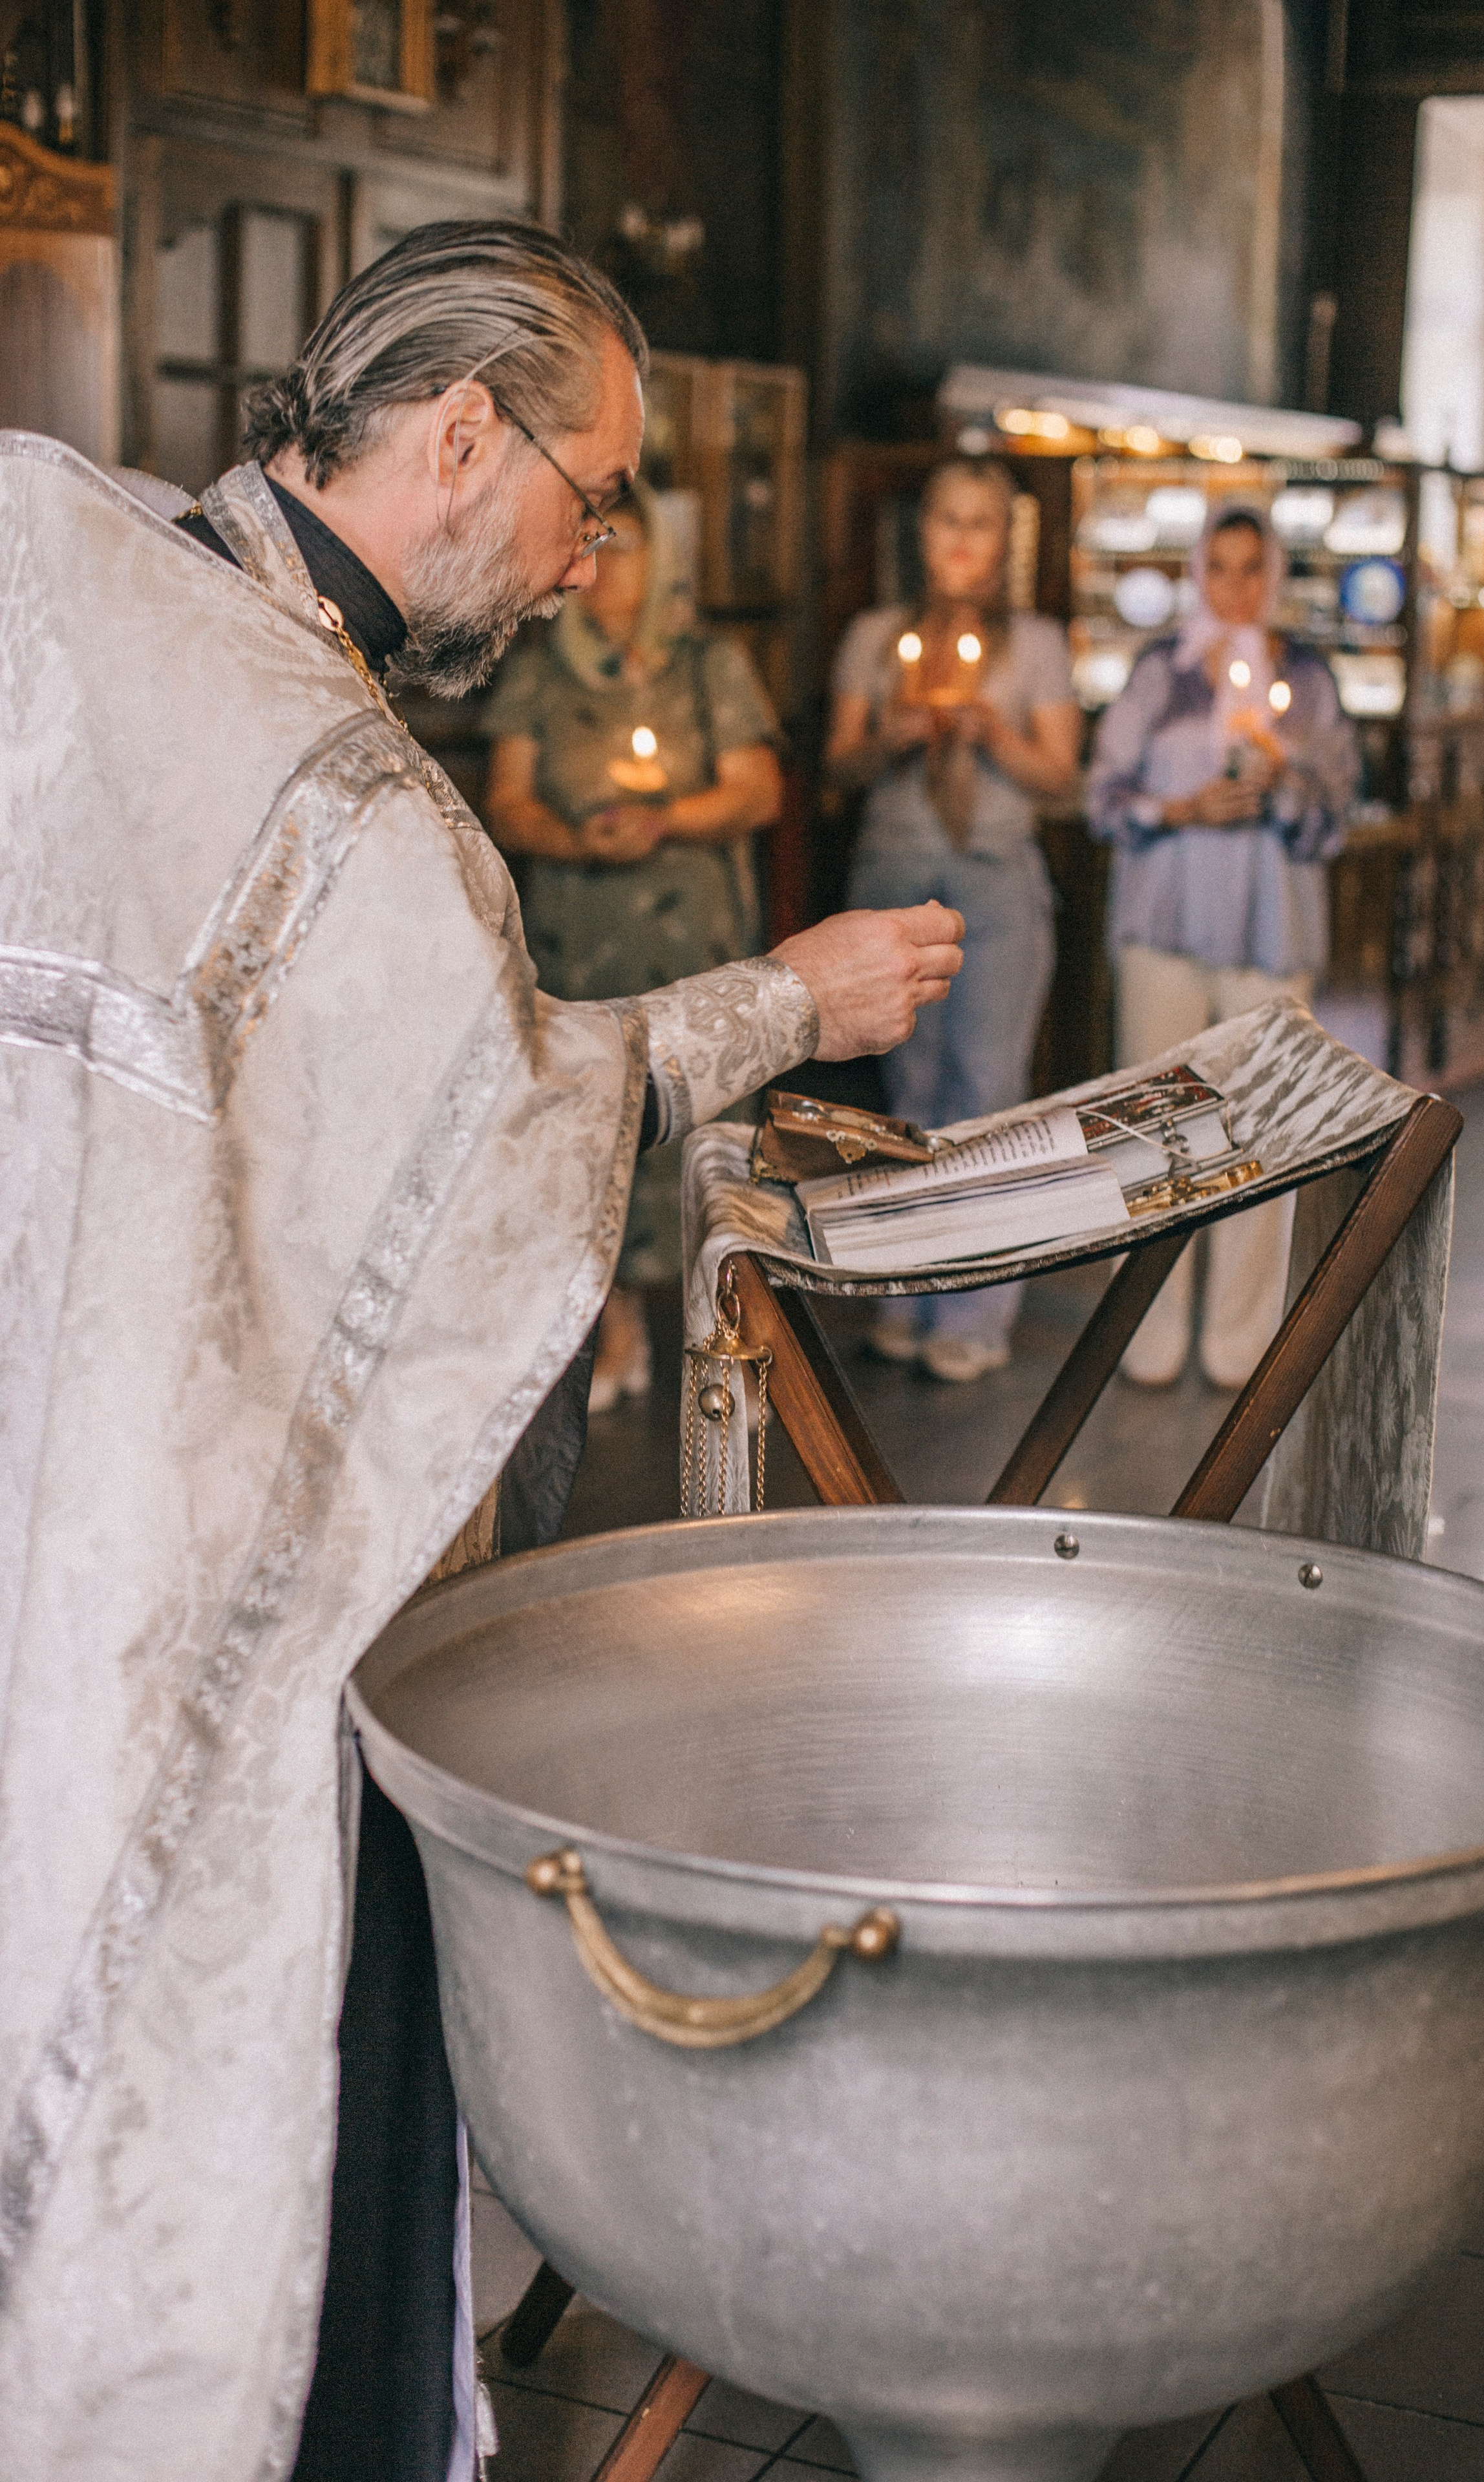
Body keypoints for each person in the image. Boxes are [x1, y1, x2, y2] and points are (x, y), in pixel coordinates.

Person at [0, 219, 963, 2482]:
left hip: (51, 1476)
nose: (587, 556)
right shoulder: (351, 802)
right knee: (258, 2052)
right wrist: (791, 1004)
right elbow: (503, 1135)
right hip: (200, 1593)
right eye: (586, 494)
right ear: (458, 437)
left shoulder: (63, 561)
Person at [483, 480, 781, 1408]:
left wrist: (663, 820)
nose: (610, 567)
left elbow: (758, 790)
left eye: (629, 547)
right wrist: (580, 838)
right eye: (596, 543)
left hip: (689, 935)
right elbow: (507, 802)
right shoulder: (542, 669)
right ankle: (613, 1328)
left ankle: (717, 1324)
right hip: (578, 938)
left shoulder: (707, 663)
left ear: (662, 561)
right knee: (591, 1128)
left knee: (703, 1129)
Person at [1086, 500, 1357, 1389]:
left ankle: (1240, 1341)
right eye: (1220, 567)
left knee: (1259, 1131)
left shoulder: (1306, 678)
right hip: (1165, 925)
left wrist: (1285, 782)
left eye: (1253, 569)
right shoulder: (1160, 671)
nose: (1236, 588)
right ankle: (1147, 1335)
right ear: (1197, 572)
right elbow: (1103, 799)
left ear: (1274, 576)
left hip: (1270, 931)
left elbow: (1336, 815)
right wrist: (1180, 808)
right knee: (1153, 1133)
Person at [825, 456, 1081, 1381]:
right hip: (895, 879)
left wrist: (991, 733)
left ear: (1004, 540)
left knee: (986, 1092)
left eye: (982, 522)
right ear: (921, 533)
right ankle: (907, 1289)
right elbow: (838, 767)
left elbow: (1063, 778)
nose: (963, 540)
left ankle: (975, 1309)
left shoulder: (1036, 644)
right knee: (911, 1096)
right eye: (947, 520)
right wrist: (892, 734)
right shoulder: (877, 635)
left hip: (995, 887)